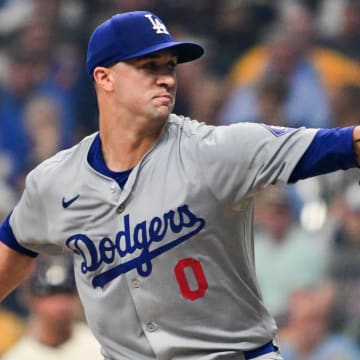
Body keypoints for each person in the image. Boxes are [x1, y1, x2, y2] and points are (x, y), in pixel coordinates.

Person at [0, 10, 360, 360]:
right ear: (105, 78)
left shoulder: (215, 151)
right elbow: (11, 252)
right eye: (149, 67)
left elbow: (342, 144)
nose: (168, 79)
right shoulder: (55, 183)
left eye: (170, 66)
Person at [1, 254, 102, 360]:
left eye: (67, 293)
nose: (60, 304)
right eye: (50, 294)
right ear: (30, 298)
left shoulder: (101, 346)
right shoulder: (17, 356)